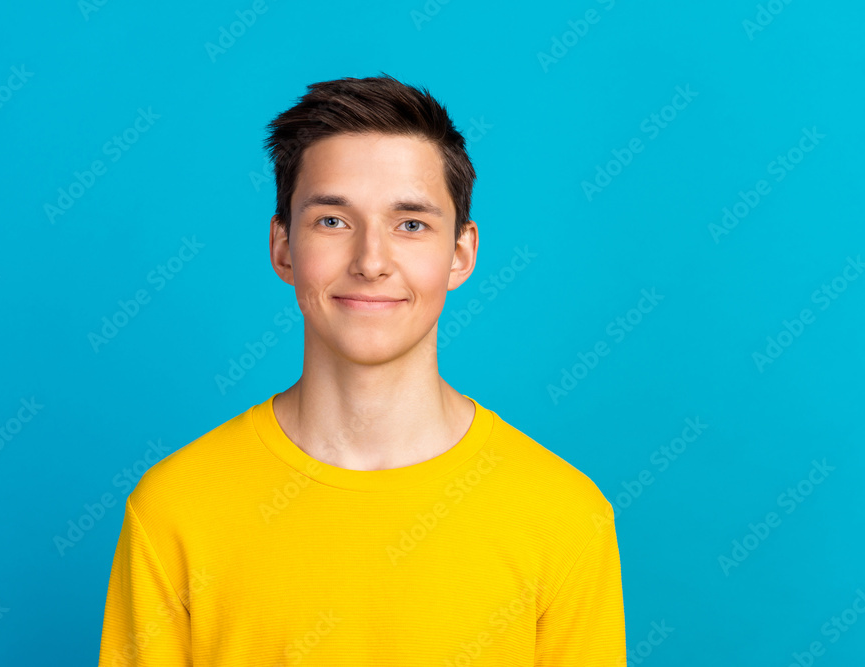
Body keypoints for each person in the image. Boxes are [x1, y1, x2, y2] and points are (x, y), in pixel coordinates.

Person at [98, 73, 625, 666]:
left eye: (411, 224)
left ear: (461, 253)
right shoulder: (174, 510)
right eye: (332, 221)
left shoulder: (565, 516)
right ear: (283, 248)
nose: (371, 261)